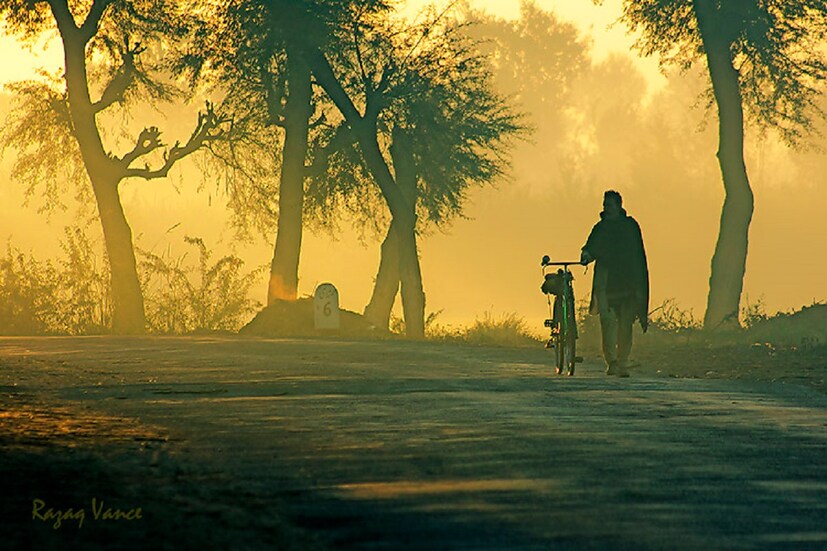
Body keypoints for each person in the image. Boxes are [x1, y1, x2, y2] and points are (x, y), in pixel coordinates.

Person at [580, 190, 649, 377]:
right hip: (606, 280)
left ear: (619, 206)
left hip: (628, 282)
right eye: (604, 205)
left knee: (625, 324)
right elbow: (591, 246)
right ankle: (612, 362)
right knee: (608, 323)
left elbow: (638, 255)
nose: (606, 209)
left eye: (609, 205)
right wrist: (586, 254)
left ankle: (623, 361)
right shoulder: (600, 228)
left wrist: (639, 285)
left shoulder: (630, 227)